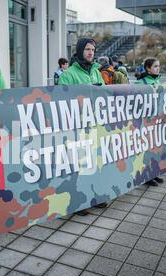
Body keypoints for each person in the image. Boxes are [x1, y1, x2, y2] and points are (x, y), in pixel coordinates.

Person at [59, 38, 106, 214]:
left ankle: (95, 196)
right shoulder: (68, 74)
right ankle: (78, 201)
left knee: (94, 161)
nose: (91, 52)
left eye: (93, 49)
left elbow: (105, 95)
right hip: (77, 126)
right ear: (80, 51)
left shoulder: (96, 72)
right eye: (87, 49)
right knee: (78, 164)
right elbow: (62, 101)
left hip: (94, 124)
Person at [137, 58, 165, 187]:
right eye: (155, 66)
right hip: (146, 121)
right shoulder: (141, 82)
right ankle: (146, 176)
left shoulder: (157, 81)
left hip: (157, 120)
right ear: (148, 68)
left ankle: (154, 173)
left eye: (158, 66)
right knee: (146, 150)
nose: (158, 68)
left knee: (155, 148)